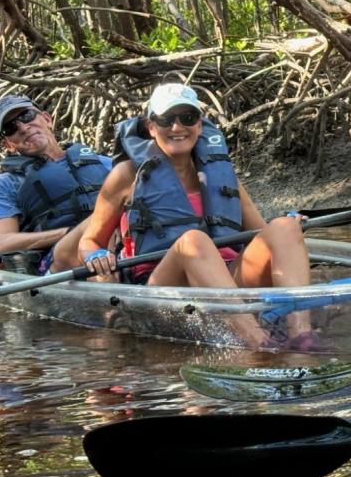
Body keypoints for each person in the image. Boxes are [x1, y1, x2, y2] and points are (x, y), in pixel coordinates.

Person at [77, 83, 312, 349]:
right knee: (194, 241)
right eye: (166, 119)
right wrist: (95, 255)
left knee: (283, 227)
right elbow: (90, 241)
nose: (177, 128)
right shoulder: (126, 175)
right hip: (162, 289)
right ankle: (259, 345)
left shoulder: (221, 173)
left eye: (187, 118)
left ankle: (302, 337)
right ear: (151, 127)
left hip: (225, 279)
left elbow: (260, 235)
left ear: (199, 125)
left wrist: (287, 228)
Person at [0, 94, 112, 273]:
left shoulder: (105, 164)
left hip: (115, 245)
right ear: (8, 145)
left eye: (26, 116)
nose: (23, 127)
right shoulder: (6, 184)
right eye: (10, 127)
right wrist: (71, 233)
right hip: (60, 261)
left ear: (47, 119)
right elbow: (2, 243)